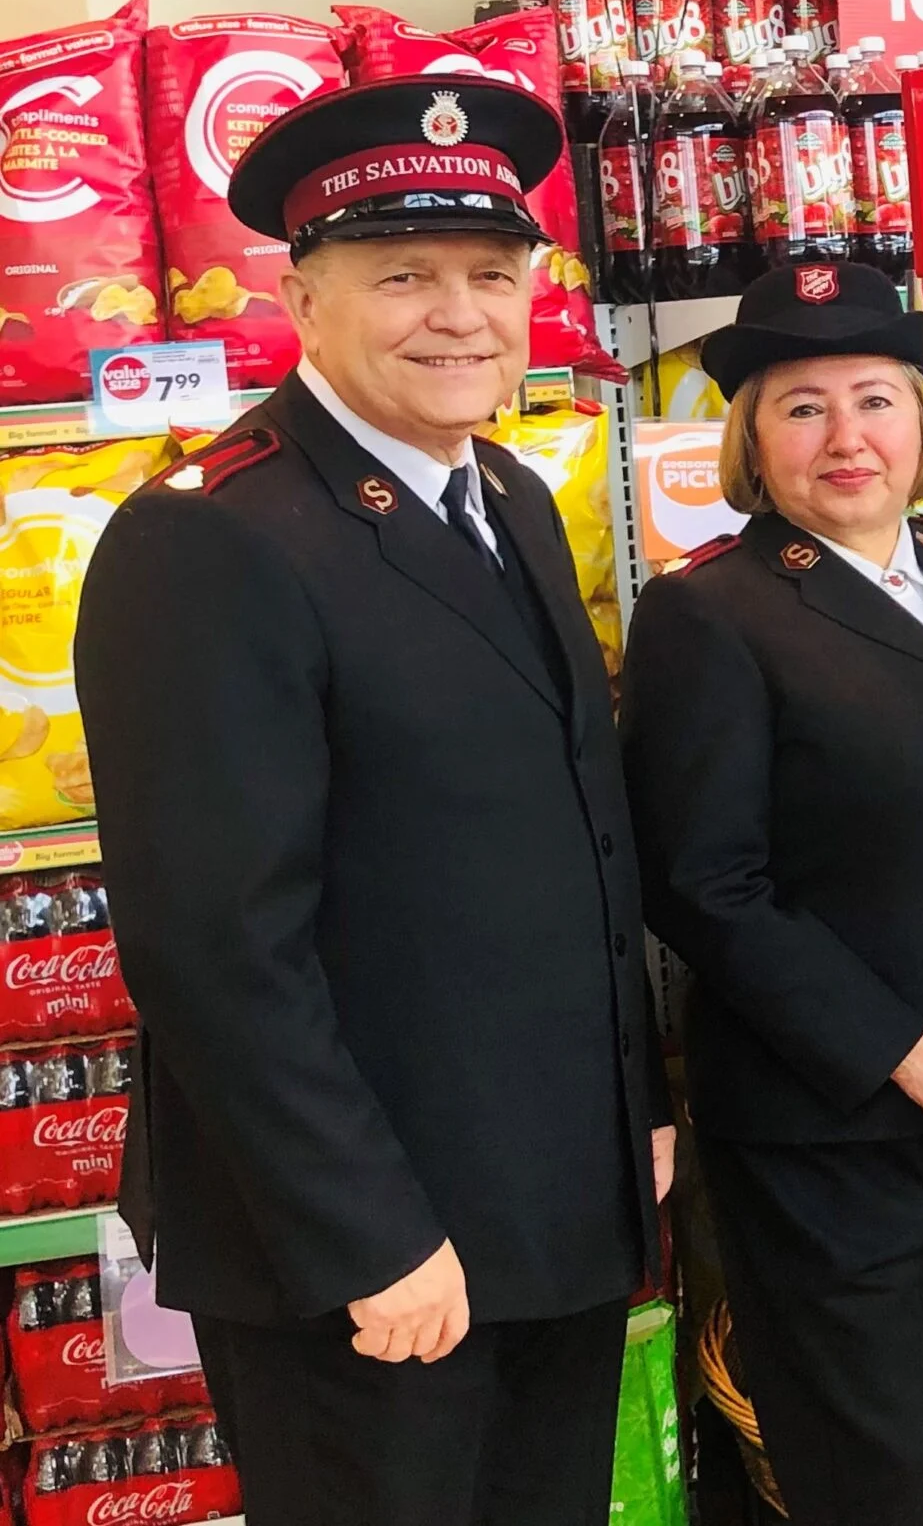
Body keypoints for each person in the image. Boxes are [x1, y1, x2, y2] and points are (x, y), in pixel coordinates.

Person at [73, 77, 672, 1526]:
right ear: (302, 296)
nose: (458, 314)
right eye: (402, 276)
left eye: (489, 274)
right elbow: (216, 947)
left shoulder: (513, 498)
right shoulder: (210, 540)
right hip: (371, 1246)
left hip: (546, 1201)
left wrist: (636, 1107)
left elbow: (578, 841)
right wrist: (372, 1235)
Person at [619, 264, 923, 1526]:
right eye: (801, 407)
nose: (847, 436)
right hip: (831, 1129)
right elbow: (703, 883)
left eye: (876, 398)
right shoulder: (709, 613)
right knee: (867, 1468)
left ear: (922, 424)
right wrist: (894, 1048)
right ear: (751, 441)